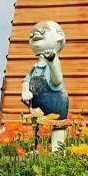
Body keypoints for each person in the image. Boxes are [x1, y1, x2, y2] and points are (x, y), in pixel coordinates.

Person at [21, 20, 69, 150]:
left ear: (59, 36)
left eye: (44, 29)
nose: (35, 33)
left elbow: (57, 80)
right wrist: (25, 91)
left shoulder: (54, 61)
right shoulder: (34, 67)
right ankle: (39, 152)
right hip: (38, 107)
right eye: (32, 33)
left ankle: (57, 153)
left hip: (56, 103)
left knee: (58, 129)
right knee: (39, 130)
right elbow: (26, 80)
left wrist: (52, 62)